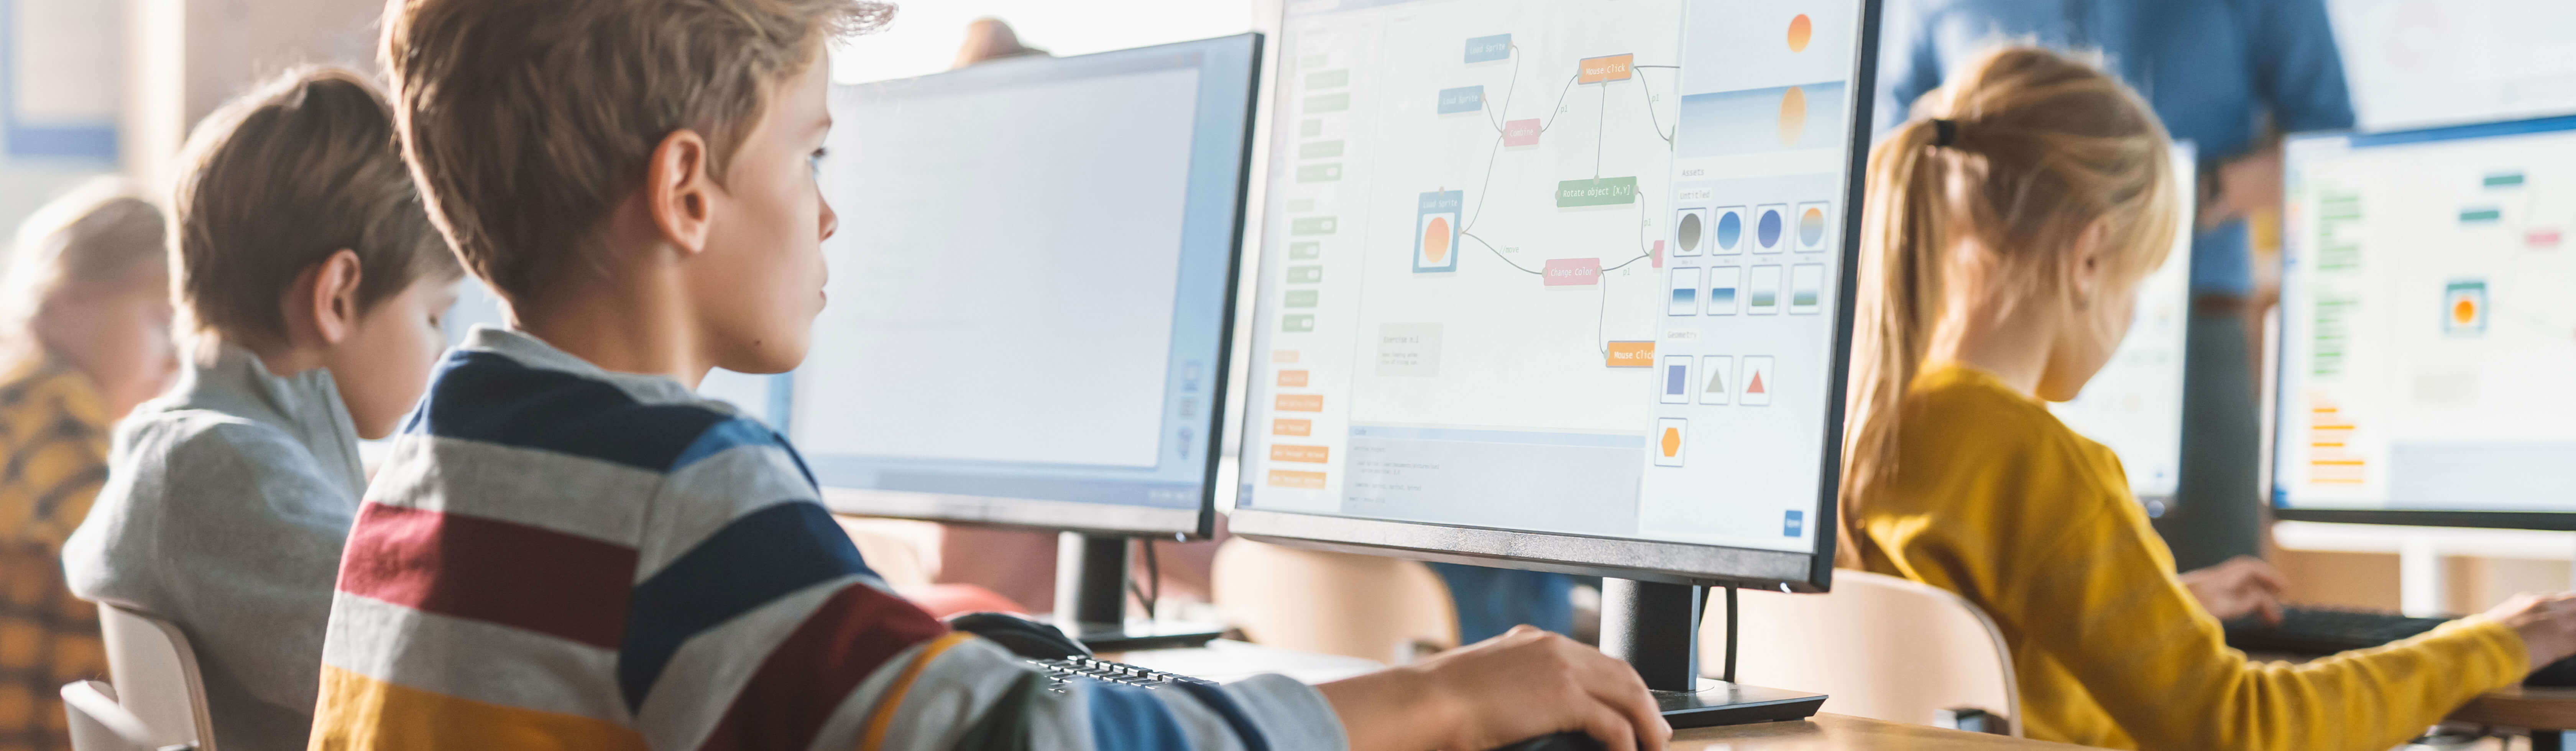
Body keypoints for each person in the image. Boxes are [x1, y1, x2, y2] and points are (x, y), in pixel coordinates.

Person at [308, 0, 1670, 749]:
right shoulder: (685, 494)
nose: (831, 211)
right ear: (687, 190)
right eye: (813, 155)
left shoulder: (436, 465)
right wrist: (1444, 698)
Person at [1838, 44, 2576, 751]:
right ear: (2090, 258)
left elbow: (1988, 654)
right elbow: (2246, 729)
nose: (2133, 319)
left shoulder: (1874, 423)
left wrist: (2163, 613)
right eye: (2141, 282)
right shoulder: (2040, 466)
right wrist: (2495, 642)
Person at [1875, 0, 2355, 573]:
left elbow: (2329, 140)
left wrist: (2199, 194)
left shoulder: (1868, 438)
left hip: (2197, 326)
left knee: (2211, 582)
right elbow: (1896, 150)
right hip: (1987, 324)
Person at [61, 67, 463, 751]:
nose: (444, 349)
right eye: (433, 315)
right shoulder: (225, 470)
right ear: (337, 298)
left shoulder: (185, 439)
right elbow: (413, 688)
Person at [0, 180, 173, 751]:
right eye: (158, 318)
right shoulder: (46, 402)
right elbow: (126, 560)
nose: (174, 354)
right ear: (68, 297)